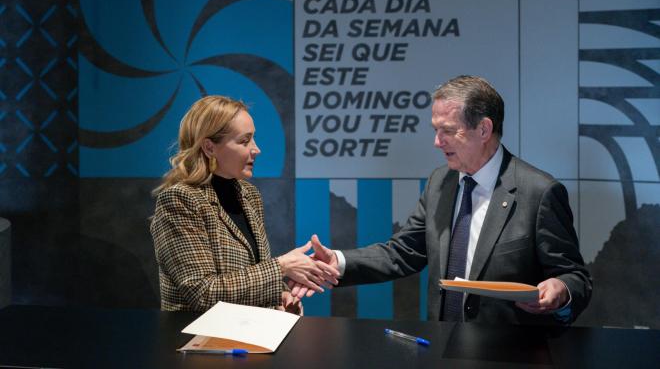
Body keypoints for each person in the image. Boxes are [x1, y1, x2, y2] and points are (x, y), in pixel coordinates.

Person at [292, 76, 592, 325]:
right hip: (443, 350)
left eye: (447, 131)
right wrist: (339, 261)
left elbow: (575, 277)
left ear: (483, 129)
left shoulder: (538, 192)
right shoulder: (440, 183)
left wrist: (561, 289)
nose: (437, 142)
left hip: (512, 353)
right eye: (436, 130)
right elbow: (404, 252)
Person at [151, 95, 338, 312]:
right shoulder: (179, 200)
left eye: (254, 139)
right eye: (244, 141)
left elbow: (251, 272)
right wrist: (282, 266)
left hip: (247, 336)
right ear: (209, 148)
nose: (256, 149)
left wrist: (281, 295)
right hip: (198, 341)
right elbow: (203, 293)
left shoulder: (249, 194)